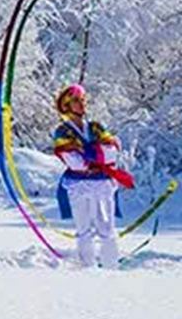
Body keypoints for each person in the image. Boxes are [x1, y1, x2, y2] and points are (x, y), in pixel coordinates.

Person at [51, 84, 133, 269]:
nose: (82, 104)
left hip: (103, 183)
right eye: (76, 101)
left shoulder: (96, 127)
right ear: (66, 105)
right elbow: (74, 162)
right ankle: (87, 267)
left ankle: (111, 266)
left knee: (107, 228)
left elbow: (112, 152)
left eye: (83, 100)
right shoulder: (62, 131)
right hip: (78, 184)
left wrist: (89, 154)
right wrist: (96, 155)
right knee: (83, 229)